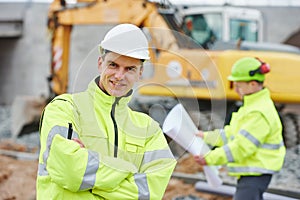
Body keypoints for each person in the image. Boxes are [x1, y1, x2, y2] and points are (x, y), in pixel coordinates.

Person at [36, 23, 177, 200]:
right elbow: (70, 171)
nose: (119, 75)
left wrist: (90, 169)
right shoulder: (64, 108)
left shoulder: (149, 130)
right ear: (100, 63)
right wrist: (128, 170)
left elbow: (149, 192)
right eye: (113, 65)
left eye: (129, 69)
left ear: (140, 73)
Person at [194, 57, 286, 200]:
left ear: (253, 84)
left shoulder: (258, 112)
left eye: (238, 85)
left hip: (256, 172)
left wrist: (210, 158)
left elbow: (241, 147)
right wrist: (206, 136)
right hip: (253, 172)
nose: (235, 89)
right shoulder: (251, 106)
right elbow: (230, 135)